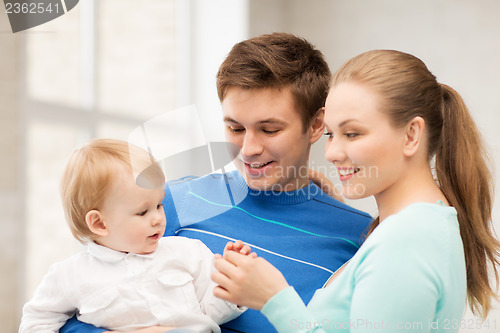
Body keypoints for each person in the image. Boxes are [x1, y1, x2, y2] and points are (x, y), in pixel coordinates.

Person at [61, 33, 372, 333]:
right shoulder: (168, 205)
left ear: (316, 125)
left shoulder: (359, 237)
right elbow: (70, 308)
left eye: (270, 129)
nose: (248, 148)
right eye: (235, 128)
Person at [212, 50, 500, 332]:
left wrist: (274, 300)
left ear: (411, 135)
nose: (332, 153)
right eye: (331, 134)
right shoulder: (414, 227)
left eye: (352, 134)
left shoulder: (407, 240)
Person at [20, 139, 244, 333]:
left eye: (159, 204)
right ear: (99, 223)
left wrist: (231, 286)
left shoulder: (188, 251)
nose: (157, 218)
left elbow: (212, 313)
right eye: (143, 211)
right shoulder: (69, 275)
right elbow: (35, 322)